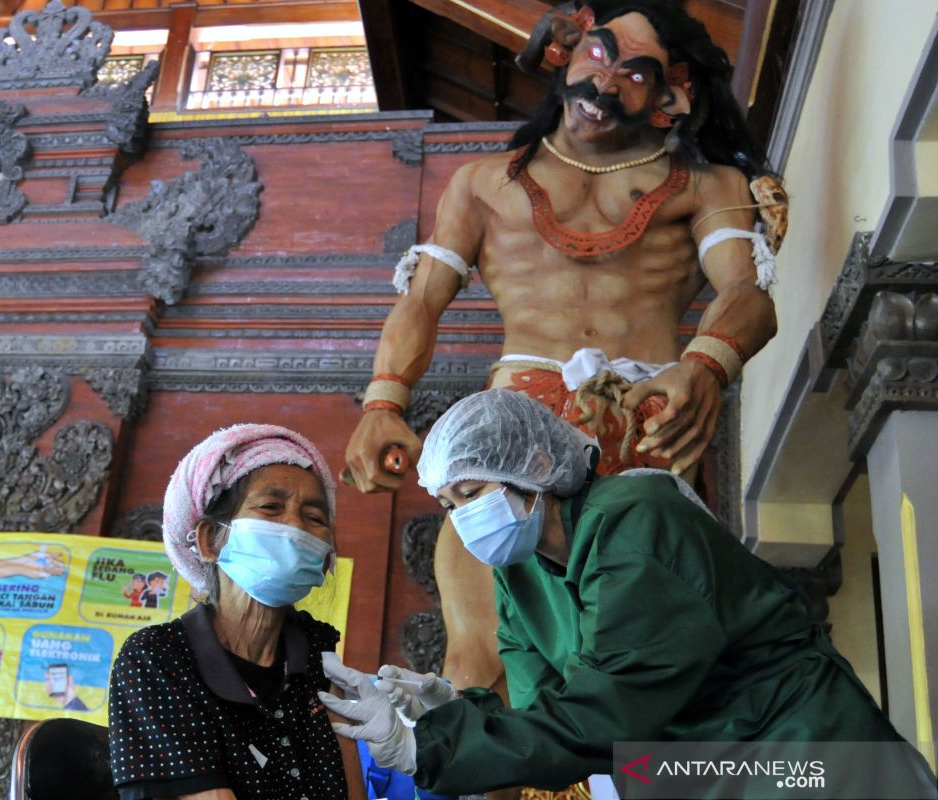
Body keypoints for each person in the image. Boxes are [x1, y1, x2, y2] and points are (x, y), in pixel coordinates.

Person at [344, 0, 785, 766]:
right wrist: (383, 401)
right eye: (599, 54)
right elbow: (420, 300)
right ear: (564, 54)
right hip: (503, 446)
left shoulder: (703, 186)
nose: (605, 79)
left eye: (634, 72)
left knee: (639, 682)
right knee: (476, 666)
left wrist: (707, 363)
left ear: (672, 96)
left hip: (641, 440)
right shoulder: (483, 185)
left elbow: (747, 295)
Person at [323, 390, 934, 797]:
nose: (463, 520)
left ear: (534, 461)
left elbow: (603, 714)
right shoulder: (521, 572)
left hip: (796, 751)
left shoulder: (638, 520)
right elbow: (548, 715)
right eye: (450, 505)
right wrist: (447, 707)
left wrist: (423, 746)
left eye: (472, 492)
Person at [108, 425, 367, 800]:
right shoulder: (157, 659)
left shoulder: (317, 652)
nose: (295, 526)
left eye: (314, 516)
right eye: (271, 508)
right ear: (211, 540)